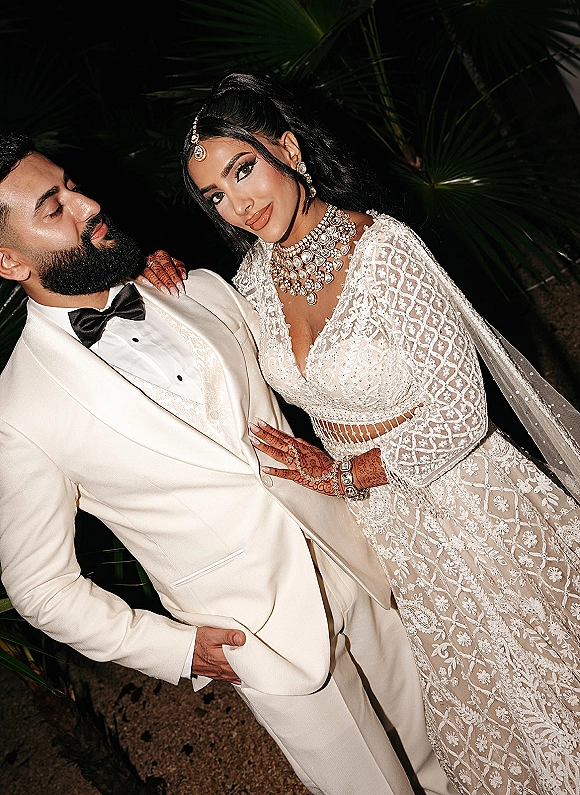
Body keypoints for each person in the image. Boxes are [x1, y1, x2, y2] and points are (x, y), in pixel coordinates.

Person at [0, 133, 458, 795]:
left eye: (72, 185)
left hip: (357, 560)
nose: (88, 204)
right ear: (8, 260)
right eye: (54, 207)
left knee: (449, 757)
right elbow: (40, 587)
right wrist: (175, 649)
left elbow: (318, 368)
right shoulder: (20, 409)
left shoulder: (195, 286)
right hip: (263, 638)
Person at [172, 72, 580, 795]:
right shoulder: (252, 283)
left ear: (289, 148)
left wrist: (344, 474)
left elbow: (462, 413)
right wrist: (151, 272)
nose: (238, 203)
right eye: (215, 196)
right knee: (480, 701)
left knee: (544, 679)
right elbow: (198, 333)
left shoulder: (385, 250)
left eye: (243, 169)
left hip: (471, 499)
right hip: (391, 531)